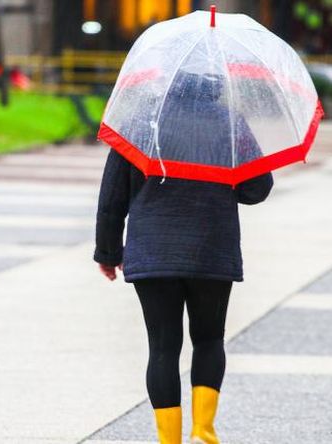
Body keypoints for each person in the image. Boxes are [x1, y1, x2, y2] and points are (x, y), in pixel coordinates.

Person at [94, 71, 273, 444]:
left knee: (163, 346)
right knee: (209, 339)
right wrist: (221, 181)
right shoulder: (228, 122)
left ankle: (169, 440)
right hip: (211, 248)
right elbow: (258, 188)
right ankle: (204, 432)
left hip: (153, 251)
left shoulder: (139, 123)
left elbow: (112, 198)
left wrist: (108, 252)